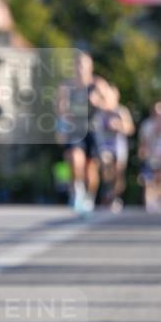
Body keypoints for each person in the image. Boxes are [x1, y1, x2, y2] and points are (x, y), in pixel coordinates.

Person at [55, 52, 102, 213]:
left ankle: (90, 196)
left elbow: (110, 104)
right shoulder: (66, 87)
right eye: (78, 64)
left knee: (91, 171)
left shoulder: (97, 85)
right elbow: (59, 109)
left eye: (84, 65)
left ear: (90, 67)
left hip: (92, 131)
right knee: (76, 160)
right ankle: (77, 191)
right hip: (74, 131)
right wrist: (60, 126)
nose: (80, 68)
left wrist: (98, 102)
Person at [93, 82, 134, 211]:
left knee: (118, 173)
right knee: (106, 164)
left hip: (119, 146)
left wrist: (119, 125)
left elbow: (130, 129)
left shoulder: (121, 111)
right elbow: (96, 131)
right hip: (105, 146)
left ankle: (115, 196)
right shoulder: (100, 114)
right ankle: (107, 193)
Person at [138, 101, 161, 213]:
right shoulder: (147, 125)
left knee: (158, 178)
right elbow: (144, 141)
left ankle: (157, 200)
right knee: (149, 179)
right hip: (151, 156)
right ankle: (150, 203)